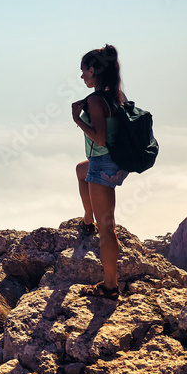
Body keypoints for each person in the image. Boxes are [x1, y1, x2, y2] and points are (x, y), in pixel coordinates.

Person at [71, 44, 128, 300]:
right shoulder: (115, 95)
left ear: (93, 70)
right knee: (81, 170)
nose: (82, 76)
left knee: (108, 229)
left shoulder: (96, 100)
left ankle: (110, 286)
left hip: (103, 164)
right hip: (113, 162)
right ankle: (87, 219)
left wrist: (78, 119)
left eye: (84, 71)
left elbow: (101, 138)